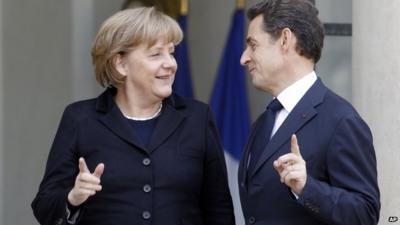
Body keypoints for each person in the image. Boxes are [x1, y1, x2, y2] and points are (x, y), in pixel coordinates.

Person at [32, 7, 235, 225]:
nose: (170, 63)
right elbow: (44, 206)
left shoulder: (198, 118)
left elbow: (219, 209)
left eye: (172, 52)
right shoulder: (80, 119)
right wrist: (73, 197)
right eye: (156, 54)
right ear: (120, 64)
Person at [237, 0, 380, 225]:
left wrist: (307, 188)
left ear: (285, 40)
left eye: (253, 45)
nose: (244, 58)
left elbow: (365, 214)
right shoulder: (264, 121)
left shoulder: (341, 120)